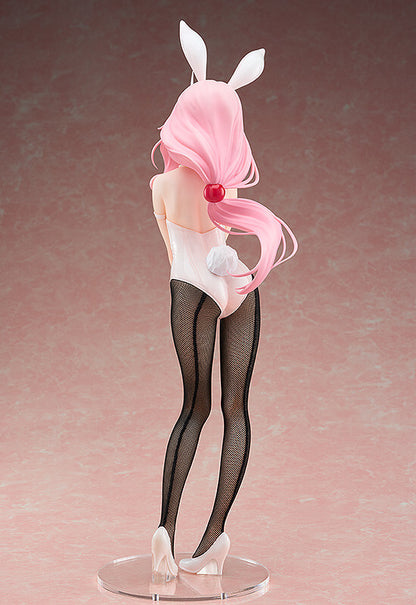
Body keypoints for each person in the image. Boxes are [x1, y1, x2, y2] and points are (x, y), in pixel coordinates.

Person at [150, 21, 297, 580]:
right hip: (235, 281)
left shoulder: (163, 186)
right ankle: (213, 539)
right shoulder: (227, 186)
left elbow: (173, 252)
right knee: (237, 410)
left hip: (193, 286)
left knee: (195, 407)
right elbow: (223, 231)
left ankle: (165, 533)